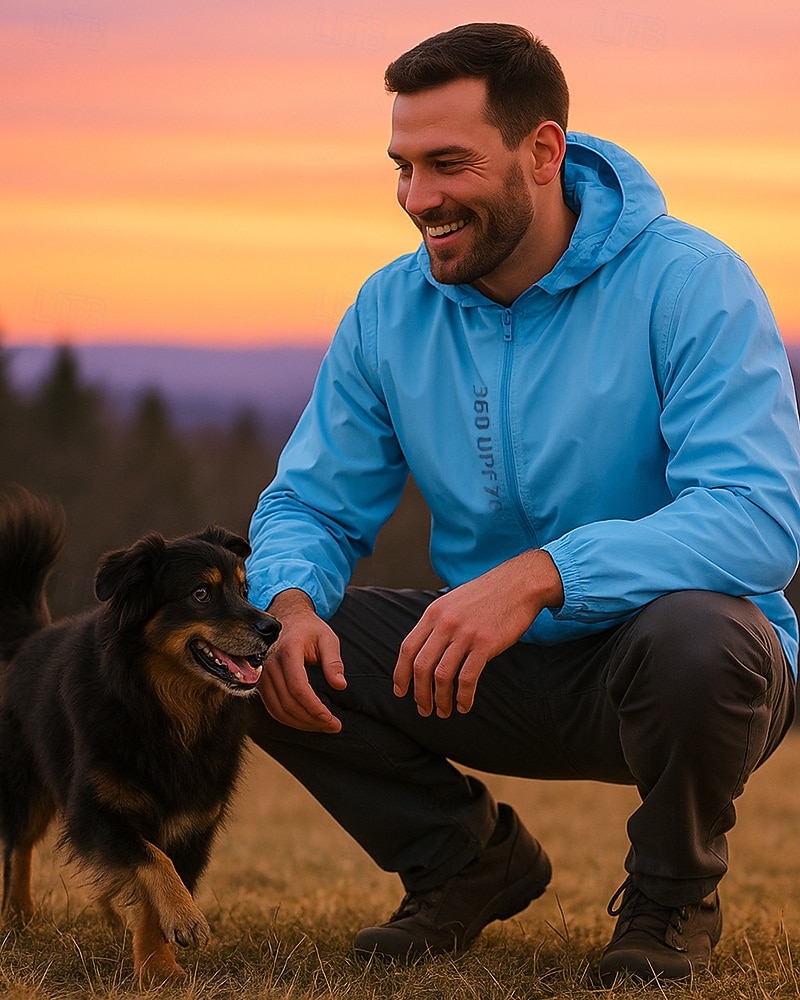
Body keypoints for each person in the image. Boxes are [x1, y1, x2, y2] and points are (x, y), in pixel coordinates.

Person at [246, 22, 800, 986]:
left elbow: (756, 519)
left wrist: (546, 575)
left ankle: (670, 900)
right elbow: (310, 503)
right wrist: (289, 603)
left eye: (449, 164)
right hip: (478, 667)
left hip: (670, 670)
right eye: (405, 166)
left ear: (543, 152)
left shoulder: (692, 284)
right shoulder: (389, 311)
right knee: (247, 641)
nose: (419, 199)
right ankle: (464, 862)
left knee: (700, 639)